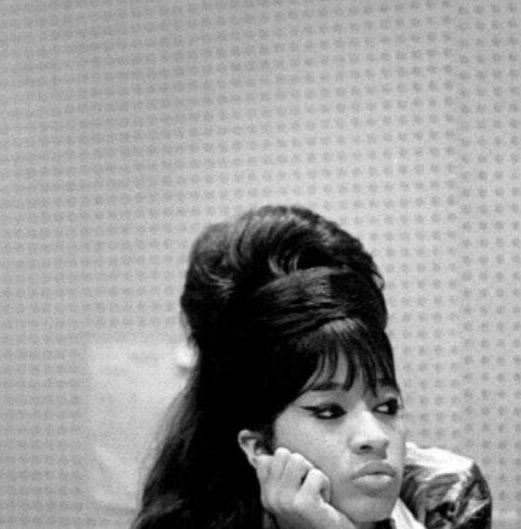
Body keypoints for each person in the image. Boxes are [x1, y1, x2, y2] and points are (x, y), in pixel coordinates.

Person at [132, 205, 490, 529]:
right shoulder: (191, 519)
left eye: (387, 406)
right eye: (329, 411)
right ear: (259, 447)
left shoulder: (442, 494)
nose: (376, 437)